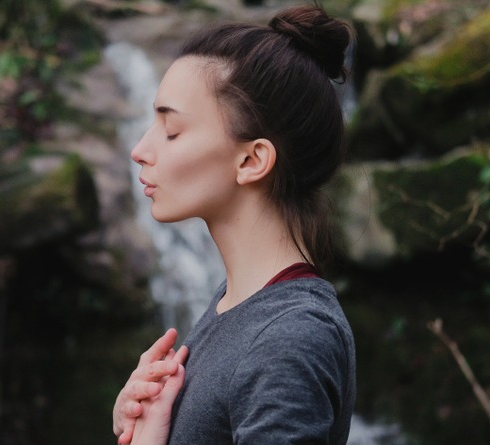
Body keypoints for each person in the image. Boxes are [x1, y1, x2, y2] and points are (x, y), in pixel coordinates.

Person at [112, 4, 356, 444]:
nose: (140, 150)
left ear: (251, 160)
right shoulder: (236, 306)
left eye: (171, 130)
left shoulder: (289, 338)